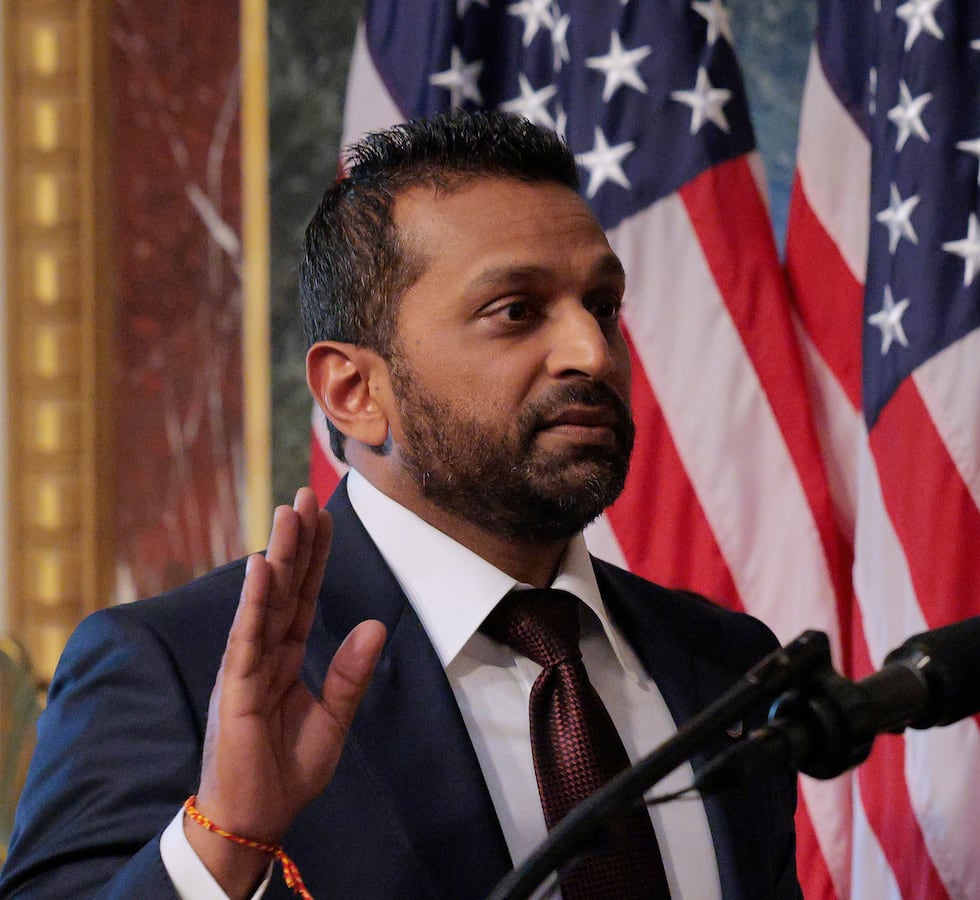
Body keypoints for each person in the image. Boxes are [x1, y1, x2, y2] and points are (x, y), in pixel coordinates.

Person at [0, 110, 800, 899]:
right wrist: (219, 843)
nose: (592, 353)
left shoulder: (724, 663)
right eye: (515, 311)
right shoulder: (177, 669)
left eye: (602, 306)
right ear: (354, 391)